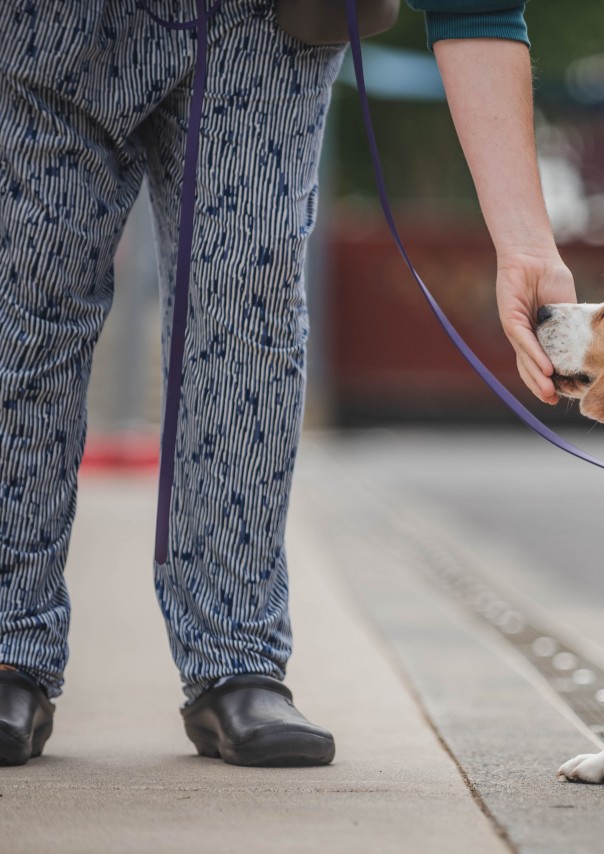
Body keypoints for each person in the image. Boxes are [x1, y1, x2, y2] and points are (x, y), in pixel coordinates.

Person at [0, 0, 572, 767]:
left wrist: (526, 240)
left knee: (250, 309)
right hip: (46, 26)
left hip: (264, 26)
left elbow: (476, 6)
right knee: (25, 305)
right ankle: (8, 641)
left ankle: (235, 658)